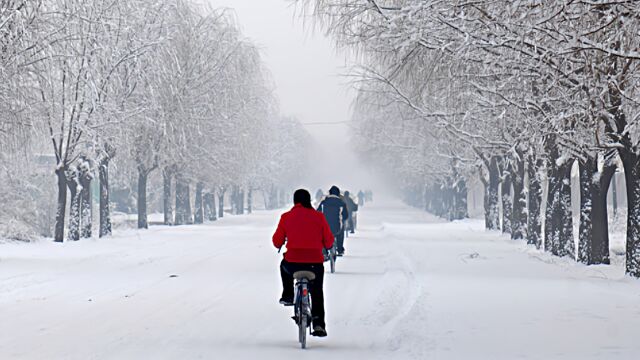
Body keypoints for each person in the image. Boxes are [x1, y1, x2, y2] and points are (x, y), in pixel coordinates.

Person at [273, 189, 334, 337]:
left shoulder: (286, 217)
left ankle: (288, 295)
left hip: (293, 262)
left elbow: (276, 242)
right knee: (317, 292)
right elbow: (329, 241)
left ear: (295, 201)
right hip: (314, 263)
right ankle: (318, 323)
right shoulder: (319, 217)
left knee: (283, 266)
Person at [317, 185, 349, 256]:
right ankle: (340, 250)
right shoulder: (341, 203)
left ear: (329, 193)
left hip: (325, 228)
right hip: (337, 228)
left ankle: (324, 250)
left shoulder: (323, 203)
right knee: (341, 230)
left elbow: (317, 214)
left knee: (321, 233)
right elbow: (346, 216)